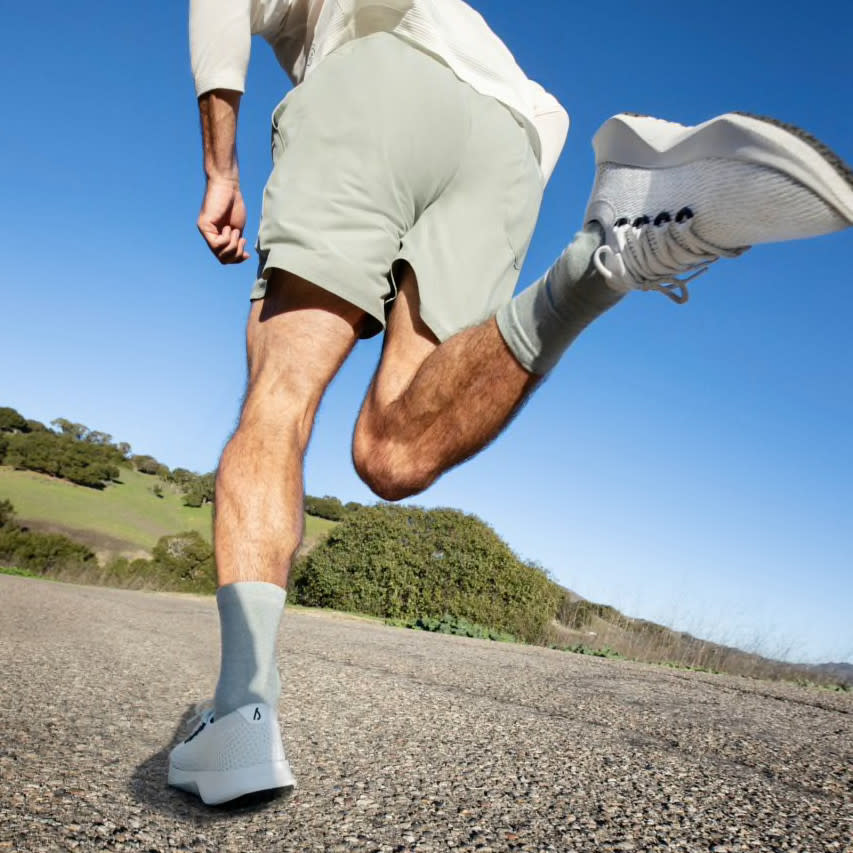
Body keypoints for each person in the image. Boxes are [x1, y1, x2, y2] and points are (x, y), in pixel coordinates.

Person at [168, 0, 853, 805]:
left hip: (378, 83)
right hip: (512, 143)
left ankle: (240, 718)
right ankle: (599, 262)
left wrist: (221, 171)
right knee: (392, 453)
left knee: (278, 402)